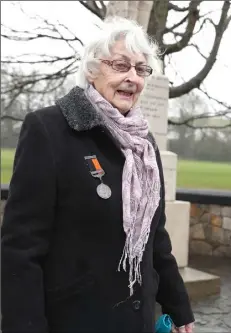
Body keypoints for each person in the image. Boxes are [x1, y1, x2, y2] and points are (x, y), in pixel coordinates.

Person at [1, 17, 195, 333]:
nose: (133, 77)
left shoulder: (143, 145)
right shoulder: (49, 131)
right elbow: (20, 251)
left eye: (140, 69)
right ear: (92, 71)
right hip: (75, 319)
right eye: (120, 65)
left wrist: (178, 305)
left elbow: (154, 235)